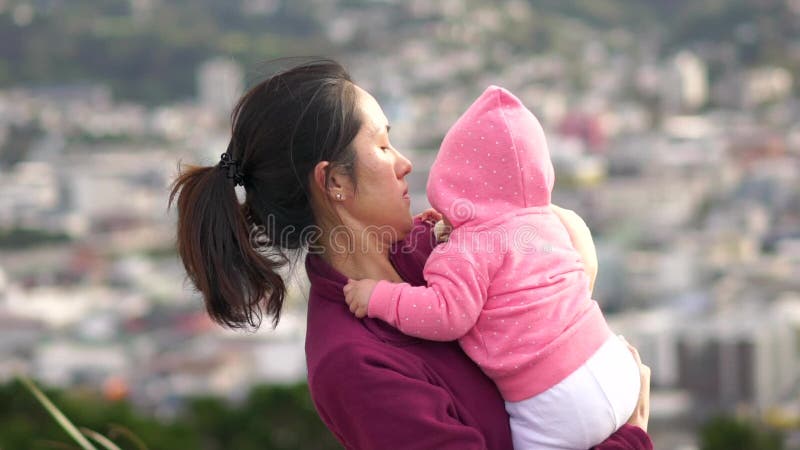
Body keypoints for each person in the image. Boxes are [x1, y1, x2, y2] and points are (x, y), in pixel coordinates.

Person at [168, 58, 653, 450]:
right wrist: (631, 435)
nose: (405, 163)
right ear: (334, 181)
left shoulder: (430, 245)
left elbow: (542, 239)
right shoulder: (354, 364)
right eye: (381, 145)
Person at [343, 85, 640, 449]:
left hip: (554, 401)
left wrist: (379, 298)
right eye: (384, 146)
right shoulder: (549, 221)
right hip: (616, 364)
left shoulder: (466, 250)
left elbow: (445, 314)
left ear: (453, 179)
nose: (405, 163)